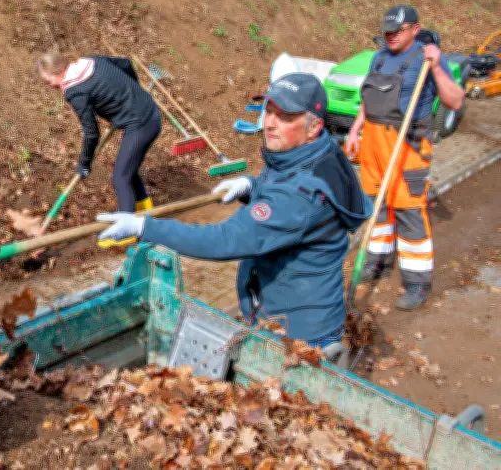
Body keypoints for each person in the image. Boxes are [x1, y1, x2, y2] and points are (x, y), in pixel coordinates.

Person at [97, 73, 372, 348]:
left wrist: (145, 227)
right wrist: (252, 186)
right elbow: (286, 192)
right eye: (269, 111)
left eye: (285, 117)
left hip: (298, 336)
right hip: (288, 316)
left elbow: (224, 239)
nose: (269, 123)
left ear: (314, 128)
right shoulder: (316, 152)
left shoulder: (300, 196)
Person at [345, 5, 465, 310]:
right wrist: (355, 130)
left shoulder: (427, 59)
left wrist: (437, 68)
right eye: (387, 31)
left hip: (407, 145)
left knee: (409, 212)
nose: (390, 36)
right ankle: (378, 262)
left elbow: (454, 100)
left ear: (415, 29)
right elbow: (368, 99)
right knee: (377, 207)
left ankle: (417, 282)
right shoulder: (379, 57)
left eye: (397, 31)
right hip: (373, 144)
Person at [37, 52, 162, 248]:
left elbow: (91, 133)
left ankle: (126, 232)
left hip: (141, 124)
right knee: (128, 169)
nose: (49, 85)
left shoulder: (75, 91)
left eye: (48, 80)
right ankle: (144, 207)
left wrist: (84, 163)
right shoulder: (91, 61)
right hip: (148, 111)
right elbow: (126, 64)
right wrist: (134, 91)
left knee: (120, 178)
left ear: (59, 71)